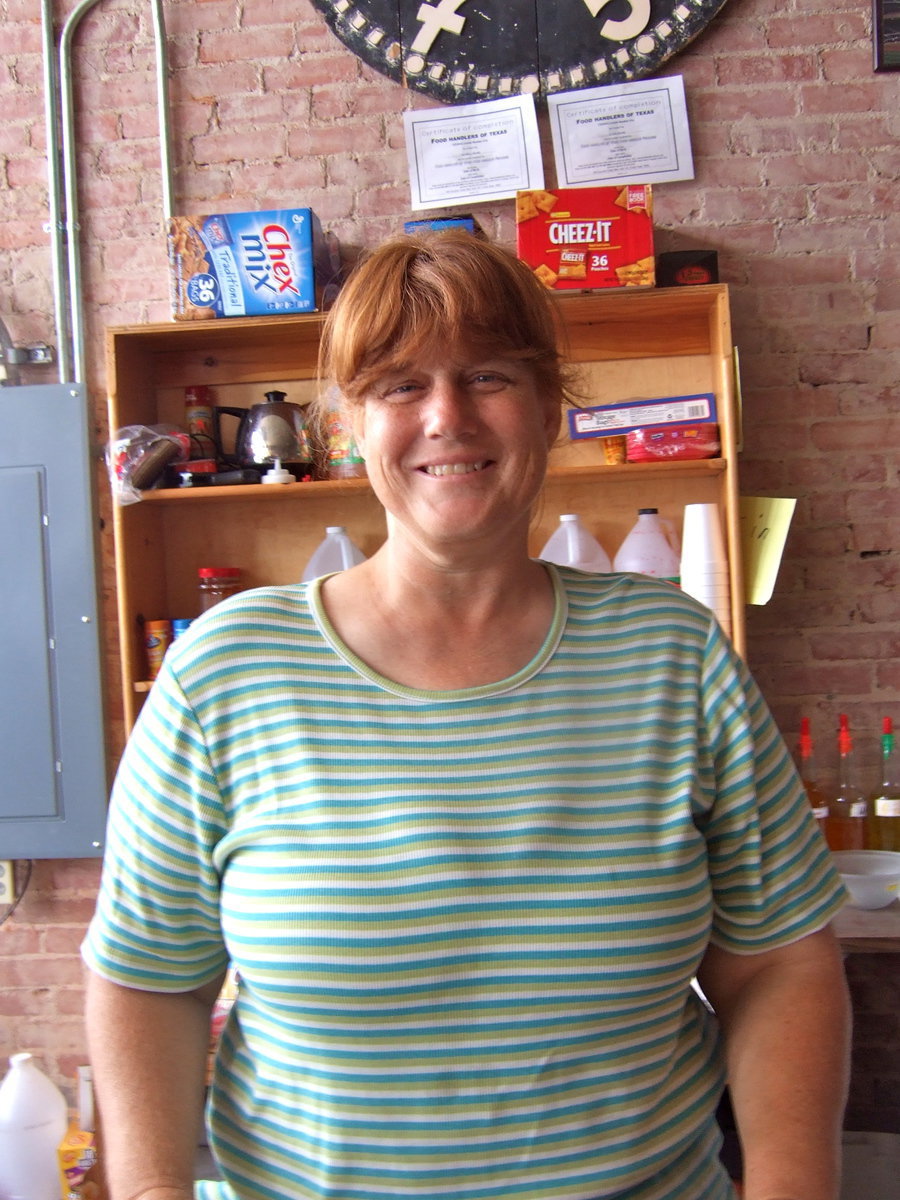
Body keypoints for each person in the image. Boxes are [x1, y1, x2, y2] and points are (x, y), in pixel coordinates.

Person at [83, 231, 851, 1200]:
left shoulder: (674, 656)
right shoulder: (223, 675)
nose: (447, 416)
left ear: (547, 406)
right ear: (349, 423)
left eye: (488, 375)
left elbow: (778, 962)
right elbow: (151, 982)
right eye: (401, 386)